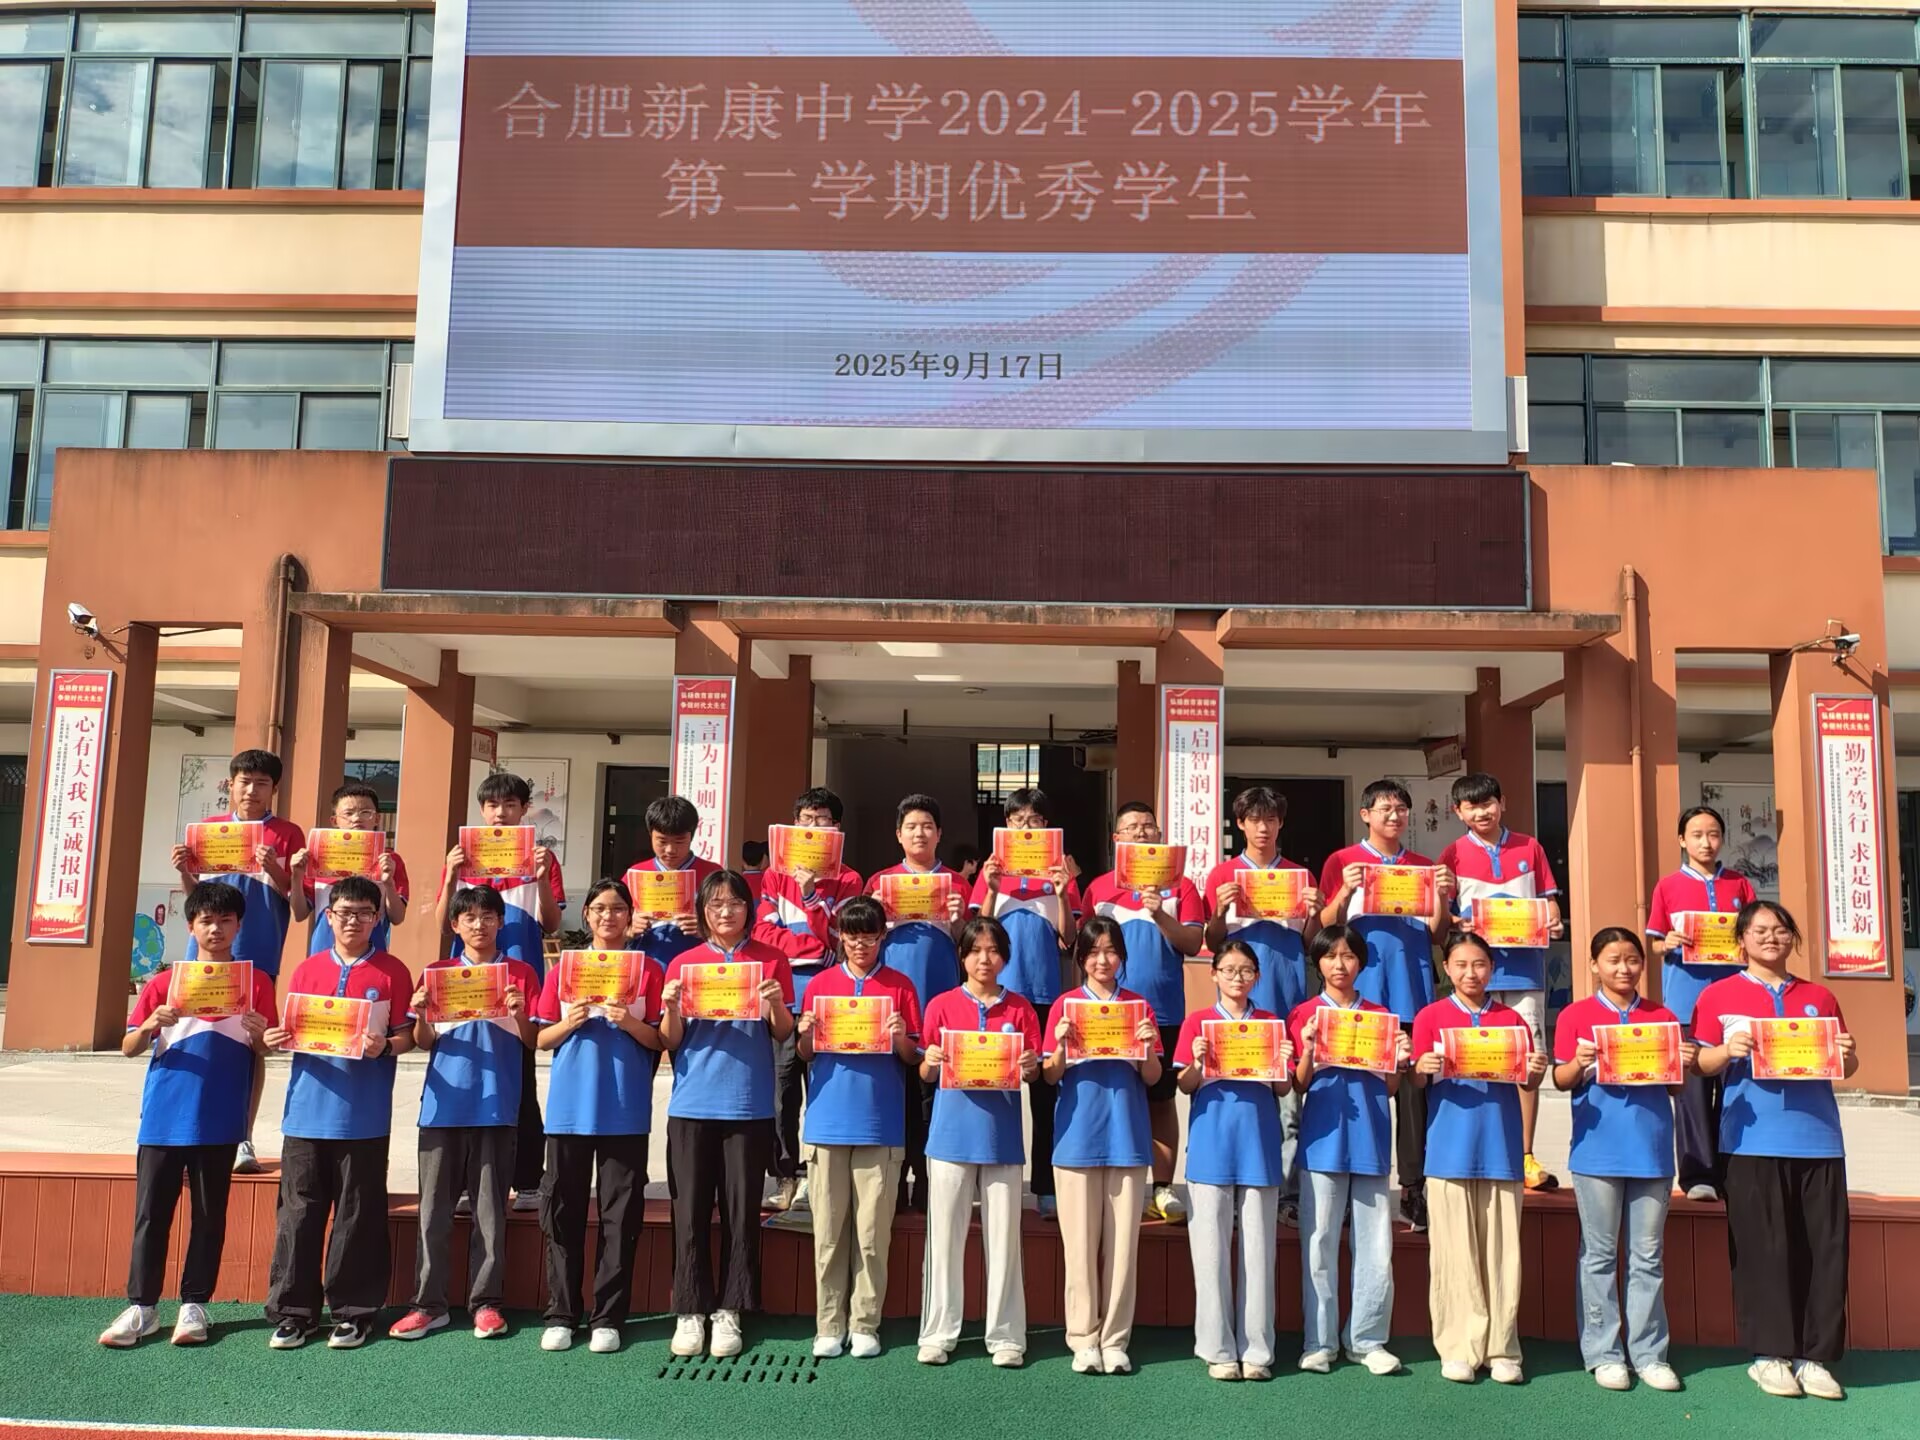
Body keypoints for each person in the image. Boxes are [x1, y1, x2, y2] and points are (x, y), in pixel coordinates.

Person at [1694, 901, 1858, 1401]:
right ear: (1741, 939)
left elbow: (1847, 1067)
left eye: (1781, 930)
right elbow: (1699, 1063)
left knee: (1824, 1250)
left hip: (1818, 1140)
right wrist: (1728, 1051)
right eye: (1760, 930)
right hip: (1750, 1142)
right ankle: (1769, 1355)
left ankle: (1815, 1358)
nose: (1772, 937)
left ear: (1793, 939)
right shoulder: (1718, 995)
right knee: (1761, 1250)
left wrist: (1847, 1056)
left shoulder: (1819, 996)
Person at [100, 883, 275, 1349]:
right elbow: (128, 1047)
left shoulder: (256, 983)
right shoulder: (164, 983)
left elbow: (264, 1050)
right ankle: (142, 1307)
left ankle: (194, 1304)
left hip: (220, 1118)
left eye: (225, 921)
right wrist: (150, 1024)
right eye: (206, 921)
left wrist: (260, 1033)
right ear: (192, 926)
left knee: (208, 1217)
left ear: (239, 926)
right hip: (163, 1117)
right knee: (151, 1216)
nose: (216, 929)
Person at [262, 875, 415, 1351]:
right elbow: (290, 1030)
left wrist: (384, 1046)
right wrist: (274, 1039)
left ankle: (353, 1312)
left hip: (363, 1116)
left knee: (358, 1216)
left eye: (364, 913)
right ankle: (293, 1313)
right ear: (328, 917)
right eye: (344, 912)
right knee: (298, 1216)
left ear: (378, 918)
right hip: (305, 1113)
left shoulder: (393, 972)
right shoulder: (306, 970)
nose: (353, 921)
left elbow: (408, 1036)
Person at [389, 887, 541, 1342]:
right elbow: (424, 1042)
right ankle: (428, 1305)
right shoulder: (437, 973)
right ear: (455, 925)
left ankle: (486, 1303)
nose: (479, 924)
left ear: (500, 922)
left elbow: (534, 1040)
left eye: (488, 916)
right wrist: (421, 1016)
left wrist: (519, 1014)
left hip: (497, 1104)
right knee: (433, 1212)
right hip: (443, 1107)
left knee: (490, 1212)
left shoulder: (520, 974)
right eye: (469, 917)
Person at [660, 870, 795, 1360]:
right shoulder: (683, 963)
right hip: (692, 1103)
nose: (725, 912)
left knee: (741, 1211)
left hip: (747, 1103)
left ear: (748, 909)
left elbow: (783, 1033)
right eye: (716, 904)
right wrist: (671, 1008)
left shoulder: (771, 960)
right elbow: (670, 1041)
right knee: (690, 1211)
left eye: (735, 903)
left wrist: (776, 1004)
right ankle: (690, 1309)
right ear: (703, 910)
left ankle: (731, 1309)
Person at [532, 878, 666, 1355]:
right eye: (600, 909)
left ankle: (608, 1316)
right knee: (562, 1213)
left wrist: (628, 1021)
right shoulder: (563, 970)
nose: (609, 916)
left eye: (618, 909)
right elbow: (540, 1039)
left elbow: (660, 1040)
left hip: (624, 1109)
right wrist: (568, 1023)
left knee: (620, 1217)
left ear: (631, 916)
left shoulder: (649, 970)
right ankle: (562, 1313)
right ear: (586, 915)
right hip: (569, 1111)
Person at [1552, 928, 1688, 1393]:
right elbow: (1561, 1079)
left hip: (1651, 1152)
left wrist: (1682, 1060)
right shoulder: (1575, 1016)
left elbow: (1676, 1087)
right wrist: (1580, 1061)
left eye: (1632, 959)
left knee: (1647, 1256)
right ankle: (1604, 1352)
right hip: (1597, 1153)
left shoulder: (1662, 1017)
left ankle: (1649, 1354)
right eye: (1613, 960)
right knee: (1599, 1255)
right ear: (1594, 965)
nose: (1624, 968)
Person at [1412, 932, 1550, 1384]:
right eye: (1461, 964)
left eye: (1479, 964)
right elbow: (1415, 1080)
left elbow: (1526, 1083)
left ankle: (1502, 1348)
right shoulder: (1430, 1016)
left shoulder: (1512, 1019)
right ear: (1446, 969)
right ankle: (1458, 1347)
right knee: (1454, 1254)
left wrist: (1535, 1071)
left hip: (1500, 1148)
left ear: (1492, 969)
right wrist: (1421, 1069)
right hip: (1448, 1150)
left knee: (1503, 1253)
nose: (1470, 973)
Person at [1319, 779, 1453, 1229]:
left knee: (1414, 1097)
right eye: (1384, 808)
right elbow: (1322, 928)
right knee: (1357, 1092)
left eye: (1400, 809)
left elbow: (1438, 934)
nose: (1394, 816)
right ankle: (1352, 1181)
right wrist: (1344, 892)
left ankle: (1413, 1188)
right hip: (1360, 999)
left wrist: (1441, 896)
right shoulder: (1342, 861)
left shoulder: (1423, 867)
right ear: (1365, 815)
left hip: (1412, 994)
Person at [795, 896, 922, 1358]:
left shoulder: (900, 986)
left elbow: (913, 1058)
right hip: (827, 1124)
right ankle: (829, 1324)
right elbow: (805, 1054)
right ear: (840, 938)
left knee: (871, 1237)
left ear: (882, 937)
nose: (860, 945)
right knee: (829, 1236)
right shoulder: (820, 985)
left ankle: (865, 1323)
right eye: (852, 937)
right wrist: (806, 1031)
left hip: (880, 1125)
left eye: (869, 936)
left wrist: (899, 1037)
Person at [916, 916, 1042, 1368]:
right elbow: (925, 1071)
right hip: (949, 1138)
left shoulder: (1021, 1009)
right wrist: (931, 1060)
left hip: (1001, 1139)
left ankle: (1006, 1336)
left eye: (992, 950)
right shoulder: (941, 1005)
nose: (984, 959)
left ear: (1005, 957)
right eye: (975, 950)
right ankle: (938, 1333)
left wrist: (1030, 1065)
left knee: (1004, 1240)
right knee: (944, 1239)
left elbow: (1034, 1072)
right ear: (962, 956)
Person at [434, 771, 563, 1211]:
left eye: (510, 805)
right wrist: (451, 877)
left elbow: (551, 924)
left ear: (525, 809)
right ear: (481, 810)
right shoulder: (463, 856)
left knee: (521, 1081)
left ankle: (527, 1180)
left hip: (518, 981)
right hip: (466, 985)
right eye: (492, 806)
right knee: (467, 1078)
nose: (501, 813)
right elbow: (442, 925)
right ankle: (466, 1183)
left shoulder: (541, 857)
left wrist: (541, 877)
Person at [170, 748, 303, 1175]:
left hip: (257, 953)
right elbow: (196, 899)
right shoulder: (208, 831)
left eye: (262, 783)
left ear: (274, 789)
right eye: (244, 781)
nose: (252, 790)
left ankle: (242, 1136)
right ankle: (189, 1132)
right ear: (231, 785)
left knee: (250, 1045)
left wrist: (276, 868)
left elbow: (298, 900)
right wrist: (184, 871)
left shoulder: (287, 834)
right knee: (194, 1040)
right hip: (203, 958)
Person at [1040, 919, 1160, 1375]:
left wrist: (1147, 1048)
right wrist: (1059, 1046)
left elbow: (1152, 1078)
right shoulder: (1065, 1005)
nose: (1102, 960)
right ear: (1081, 958)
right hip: (1076, 1138)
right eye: (1093, 952)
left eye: (1110, 951)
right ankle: (1083, 1338)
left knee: (1123, 1248)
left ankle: (1114, 1339)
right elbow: (1050, 1075)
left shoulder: (1138, 1006)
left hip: (1127, 1136)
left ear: (1122, 956)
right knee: (1079, 1247)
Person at [1289, 925, 1409, 1376]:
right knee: (1318, 1241)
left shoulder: (1381, 1016)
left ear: (1361, 962)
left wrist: (1399, 1059)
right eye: (1330, 956)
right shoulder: (1304, 1013)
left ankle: (1367, 1340)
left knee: (1375, 1244)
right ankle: (1319, 1341)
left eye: (1348, 956)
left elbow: (1392, 1086)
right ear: (1318, 963)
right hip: (1321, 1139)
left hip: (1370, 1137)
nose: (1339, 965)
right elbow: (1298, 1083)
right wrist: (1308, 1050)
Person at [1438, 772, 1564, 1193]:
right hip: (1474, 976)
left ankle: (1524, 1154)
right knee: (1475, 1057)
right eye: (1471, 806)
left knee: (1528, 1060)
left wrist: (1554, 921)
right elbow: (1443, 915)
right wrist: (1457, 922)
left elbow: (1548, 902)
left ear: (1502, 803)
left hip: (1524, 971)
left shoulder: (1530, 847)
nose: (1482, 812)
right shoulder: (1452, 854)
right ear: (1458, 812)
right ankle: (1480, 1148)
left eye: (1488, 803)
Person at [1083, 801, 1205, 1223]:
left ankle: (1163, 1188)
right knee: (1111, 1097)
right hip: (1107, 1014)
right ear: (1116, 838)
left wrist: (1158, 913)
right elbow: (1083, 949)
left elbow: (1192, 943)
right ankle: (1113, 1182)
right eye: (1131, 827)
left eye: (1148, 826)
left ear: (1159, 836)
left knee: (1161, 1100)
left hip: (1163, 1012)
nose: (1140, 832)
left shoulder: (1182, 887)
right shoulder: (1099, 889)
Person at [1204, 785, 1321, 1224]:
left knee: (1289, 1109)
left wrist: (1315, 912)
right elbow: (1210, 941)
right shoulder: (1223, 875)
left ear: (1280, 823)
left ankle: (1286, 1194)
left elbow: (1312, 944)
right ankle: (1238, 1192)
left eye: (1270, 819)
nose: (1263, 828)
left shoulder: (1300, 877)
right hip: (1237, 1010)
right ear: (1240, 824)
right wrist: (1220, 911)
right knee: (1240, 1105)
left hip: (1288, 1001)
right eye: (1254, 819)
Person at [1175, 940, 1291, 1381]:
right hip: (1210, 1144)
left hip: (1258, 1144)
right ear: (1214, 974)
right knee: (1209, 1252)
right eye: (1228, 969)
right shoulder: (1197, 1022)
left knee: (1259, 1253)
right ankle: (1217, 1348)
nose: (1237, 978)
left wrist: (1283, 1063)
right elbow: (1185, 1084)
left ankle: (1257, 1349)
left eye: (1245, 971)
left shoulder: (1271, 1023)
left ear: (1256, 976)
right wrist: (1197, 1062)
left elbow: (1283, 1089)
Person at [974, 786, 1080, 1220]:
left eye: (1034, 821)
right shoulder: (992, 869)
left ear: (1046, 826)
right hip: (996, 996)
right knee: (990, 1088)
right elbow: (977, 932)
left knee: (1044, 1097)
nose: (1025, 827)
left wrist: (1062, 891)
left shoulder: (1059, 873)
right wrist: (991, 888)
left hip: (1043, 995)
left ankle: (1045, 1188)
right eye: (1017, 820)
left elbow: (1069, 939)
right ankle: (987, 1179)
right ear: (1006, 825)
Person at [757, 786, 864, 1213]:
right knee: (782, 1090)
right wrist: (810, 948)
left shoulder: (850, 879)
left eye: (822, 820)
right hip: (785, 996)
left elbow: (839, 937)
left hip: (829, 998)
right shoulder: (773, 875)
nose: (813, 827)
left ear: (836, 828)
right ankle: (785, 1175)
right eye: (806, 820)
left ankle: (821, 1176)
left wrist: (809, 896)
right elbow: (763, 932)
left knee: (825, 1087)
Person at [1647, 806, 1757, 1202]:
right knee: (1692, 1095)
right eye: (1696, 835)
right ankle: (1697, 1175)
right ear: (1682, 840)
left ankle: (1731, 1171)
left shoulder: (1740, 884)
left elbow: (1755, 933)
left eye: (1713, 834)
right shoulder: (1668, 886)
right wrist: (1668, 943)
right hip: (1686, 1005)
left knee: (1735, 1090)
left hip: (1736, 1003)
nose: (1705, 842)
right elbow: (1654, 943)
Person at [865, 793, 967, 1211]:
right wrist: (876, 915)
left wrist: (959, 921)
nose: (919, 833)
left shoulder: (956, 884)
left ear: (939, 833)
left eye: (927, 826)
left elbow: (970, 947)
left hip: (940, 1001)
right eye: (911, 827)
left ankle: (927, 1181)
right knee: (895, 1093)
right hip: (892, 1004)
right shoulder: (880, 882)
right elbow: (860, 941)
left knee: (932, 1094)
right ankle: (894, 1180)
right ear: (898, 835)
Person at [289, 780, 408, 956]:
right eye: (348, 813)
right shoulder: (317, 857)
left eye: (365, 812)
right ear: (334, 820)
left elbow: (397, 918)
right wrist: (297, 876)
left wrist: (389, 883)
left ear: (377, 818)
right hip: (323, 953)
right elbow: (299, 914)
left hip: (373, 955)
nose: (356, 818)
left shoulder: (390, 860)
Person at [631, 795, 720, 966]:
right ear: (650, 835)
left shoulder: (713, 875)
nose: (670, 850)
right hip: (648, 963)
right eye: (662, 841)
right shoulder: (635, 874)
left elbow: (736, 924)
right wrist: (629, 928)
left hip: (699, 964)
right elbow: (613, 926)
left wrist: (708, 929)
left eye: (679, 841)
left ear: (692, 836)